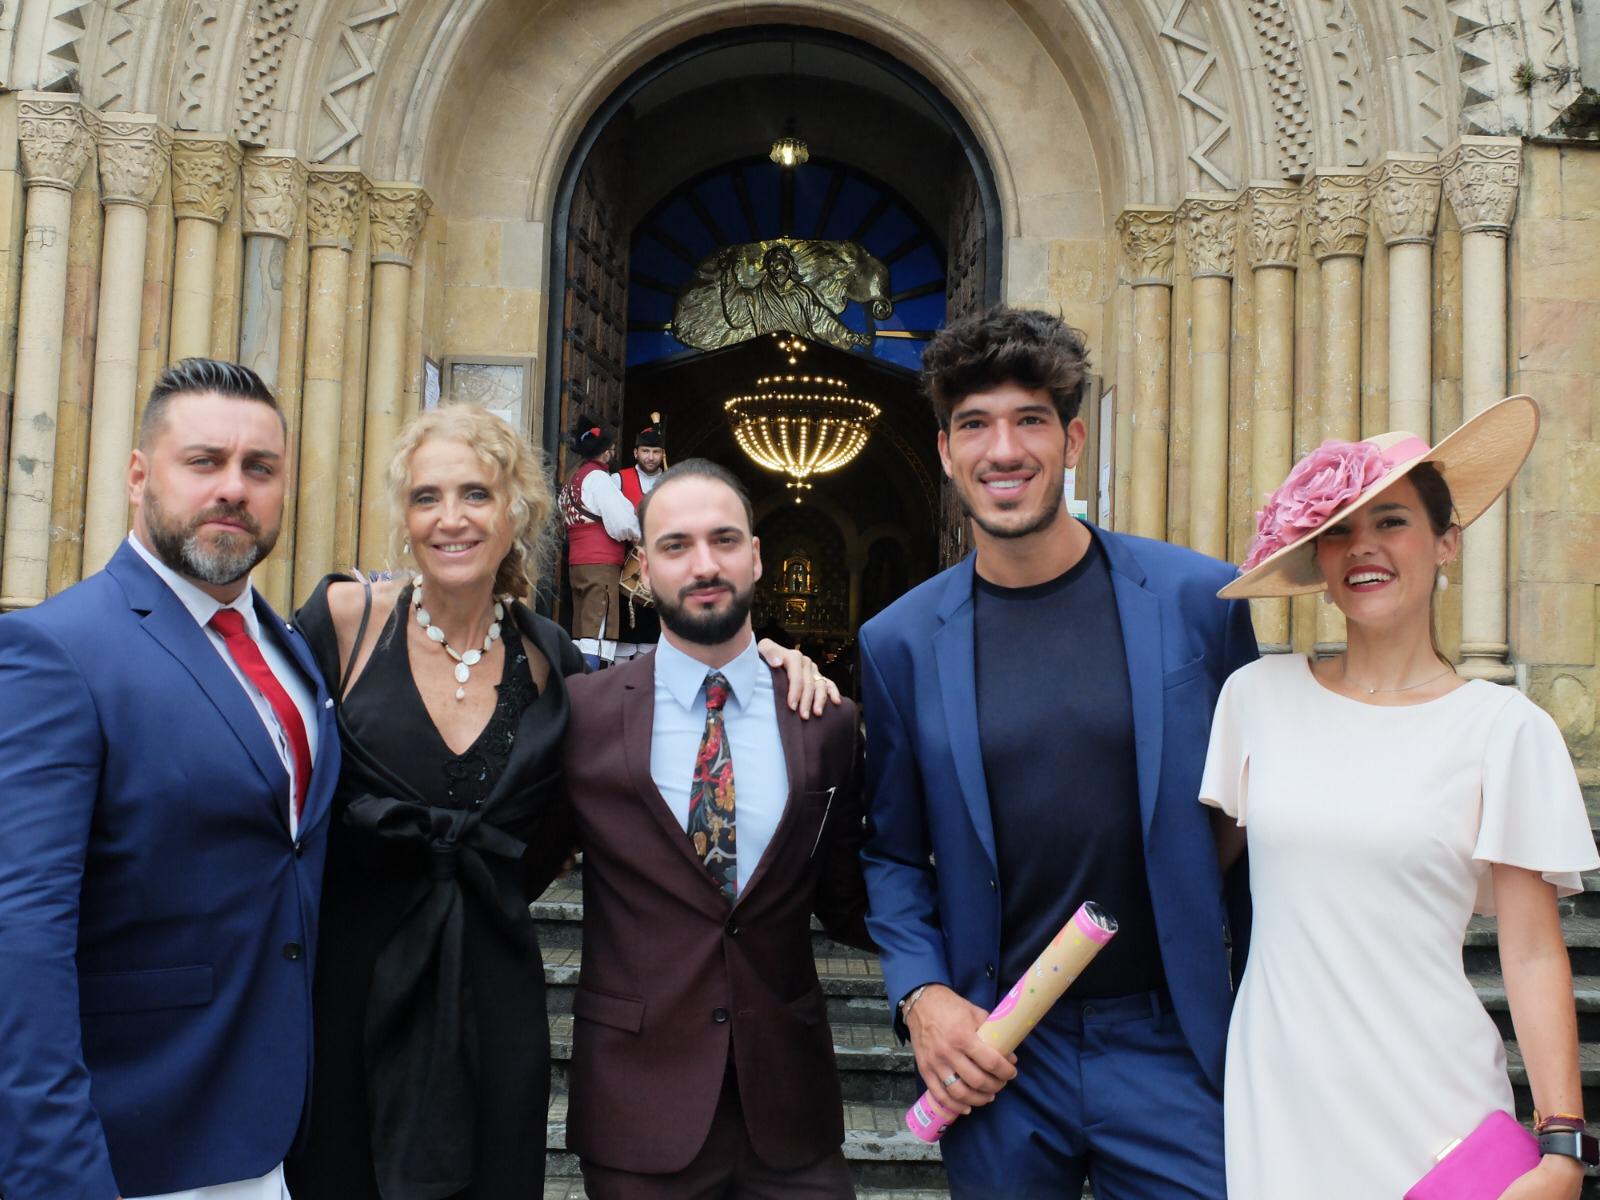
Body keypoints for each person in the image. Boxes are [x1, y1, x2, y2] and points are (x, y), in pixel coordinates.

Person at [858, 306, 1256, 1200]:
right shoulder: (900, 642)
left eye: (1030, 419)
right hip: (1000, 1053)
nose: (1004, 449)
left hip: (1172, 1043)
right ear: (947, 450)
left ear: (1072, 439)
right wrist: (922, 998)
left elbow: (1252, 826)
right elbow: (889, 852)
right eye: (975, 425)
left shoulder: (1201, 601)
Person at [1201, 394, 1599, 1199]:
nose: (1363, 549)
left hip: (1436, 1117)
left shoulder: (1504, 730)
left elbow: (1528, 951)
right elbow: (1188, 875)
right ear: (1314, 560)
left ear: (1447, 540)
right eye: (1338, 530)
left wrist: (1563, 1144)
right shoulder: (1254, 698)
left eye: (1392, 522)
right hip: (1280, 1104)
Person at [0, 358, 339, 1200]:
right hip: (134, 1146)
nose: (233, 488)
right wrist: (57, 1175)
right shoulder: (57, 650)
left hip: (271, 1133)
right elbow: (20, 936)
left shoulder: (287, 648)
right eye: (204, 462)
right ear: (138, 474)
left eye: (259, 468)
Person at [286, 403, 582, 1199]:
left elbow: (601, 788)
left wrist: (768, 663)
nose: (450, 519)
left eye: (475, 495)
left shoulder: (551, 661)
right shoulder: (344, 623)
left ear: (515, 508)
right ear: (404, 518)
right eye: (426, 498)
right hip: (349, 987)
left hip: (494, 989)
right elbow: (250, 734)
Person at [562, 458, 872, 1198]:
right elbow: (509, 865)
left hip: (791, 1115)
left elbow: (851, 894)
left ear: (757, 556)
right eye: (675, 545)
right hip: (637, 1108)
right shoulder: (581, 716)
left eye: (725, 540)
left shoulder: (826, 721)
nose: (704, 565)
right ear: (642, 566)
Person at [559, 416, 639, 669]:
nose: (613, 454)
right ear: (605, 452)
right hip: (600, 566)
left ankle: (581, 685)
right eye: (611, 450)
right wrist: (639, 536)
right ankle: (591, 690)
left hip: (577, 565)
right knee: (597, 632)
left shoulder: (573, 479)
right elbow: (622, 523)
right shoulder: (598, 479)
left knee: (583, 630)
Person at [613, 422, 666, 659]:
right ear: (636, 453)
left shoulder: (674, 481)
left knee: (652, 641)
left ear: (663, 454)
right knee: (623, 636)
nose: (651, 457)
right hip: (625, 563)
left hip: (661, 565)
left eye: (656, 451)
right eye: (645, 451)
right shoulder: (618, 480)